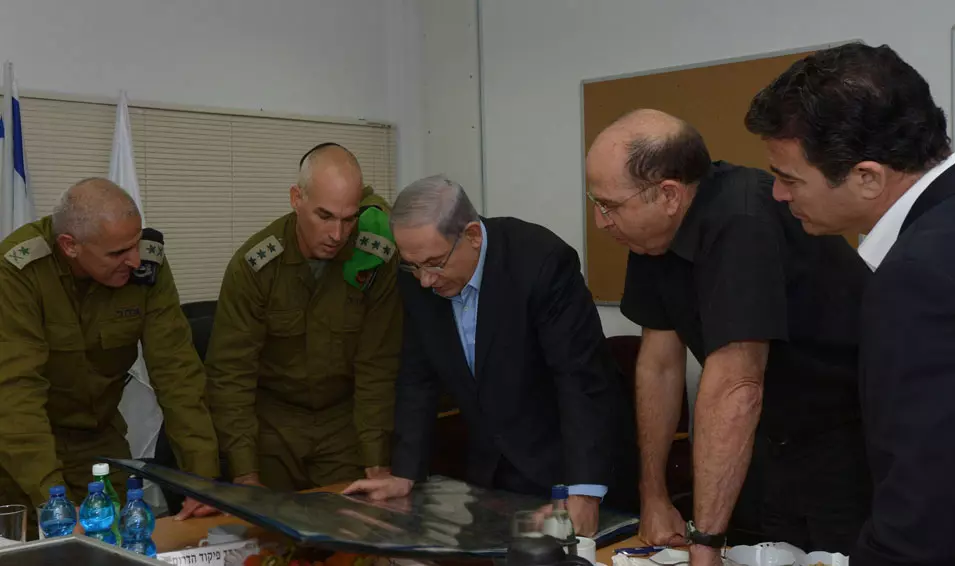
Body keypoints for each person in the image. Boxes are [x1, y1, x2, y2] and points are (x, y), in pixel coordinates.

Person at [586, 110, 872, 563]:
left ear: (668, 194)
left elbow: (738, 385)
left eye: (610, 205)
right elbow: (659, 365)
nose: (601, 221)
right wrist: (654, 494)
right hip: (765, 440)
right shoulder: (647, 235)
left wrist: (705, 541)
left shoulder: (742, 220)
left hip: (848, 438)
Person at [745, 43, 955, 566]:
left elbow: (925, 497)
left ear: (867, 177)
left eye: (789, 178)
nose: (778, 195)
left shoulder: (915, 276)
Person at [344, 175, 638, 537]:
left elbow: (580, 379)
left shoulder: (541, 262)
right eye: (413, 265)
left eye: (434, 263)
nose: (425, 280)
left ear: (472, 235)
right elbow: (417, 375)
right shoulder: (416, 276)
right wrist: (405, 472)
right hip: (493, 475)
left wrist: (584, 492)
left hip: (569, 465)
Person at [0, 178, 220, 523]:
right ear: (70, 245)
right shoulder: (19, 272)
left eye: (136, 243)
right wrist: (52, 498)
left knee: (121, 538)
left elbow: (177, 373)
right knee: (37, 543)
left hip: (97, 439)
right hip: (20, 448)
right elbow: (16, 394)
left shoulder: (144, 266)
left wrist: (201, 479)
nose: (134, 259)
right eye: (118, 253)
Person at [204, 143, 402, 491]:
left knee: (352, 520)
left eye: (349, 219)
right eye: (324, 216)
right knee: (268, 521)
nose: (337, 235)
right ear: (297, 199)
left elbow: (377, 366)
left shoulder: (374, 261)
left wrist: (377, 461)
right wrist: (244, 471)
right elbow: (231, 375)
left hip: (344, 425)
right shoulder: (255, 267)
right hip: (273, 428)